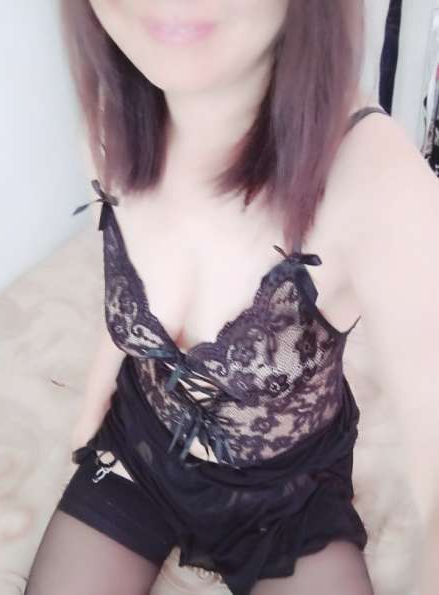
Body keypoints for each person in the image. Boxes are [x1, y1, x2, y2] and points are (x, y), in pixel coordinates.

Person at [24, 2, 439, 595]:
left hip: (287, 500)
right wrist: (90, 415)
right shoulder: (110, 120)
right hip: (139, 448)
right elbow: (118, 292)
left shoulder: (376, 178)